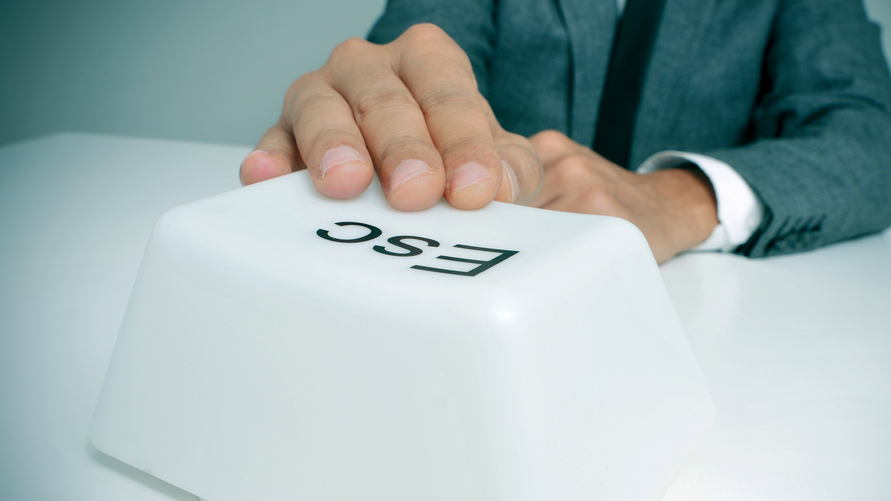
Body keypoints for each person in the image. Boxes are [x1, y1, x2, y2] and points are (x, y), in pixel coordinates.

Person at [239, 0, 891, 263]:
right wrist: (377, 105)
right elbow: (412, 57)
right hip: (488, 271)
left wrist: (682, 196)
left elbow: (870, 137)